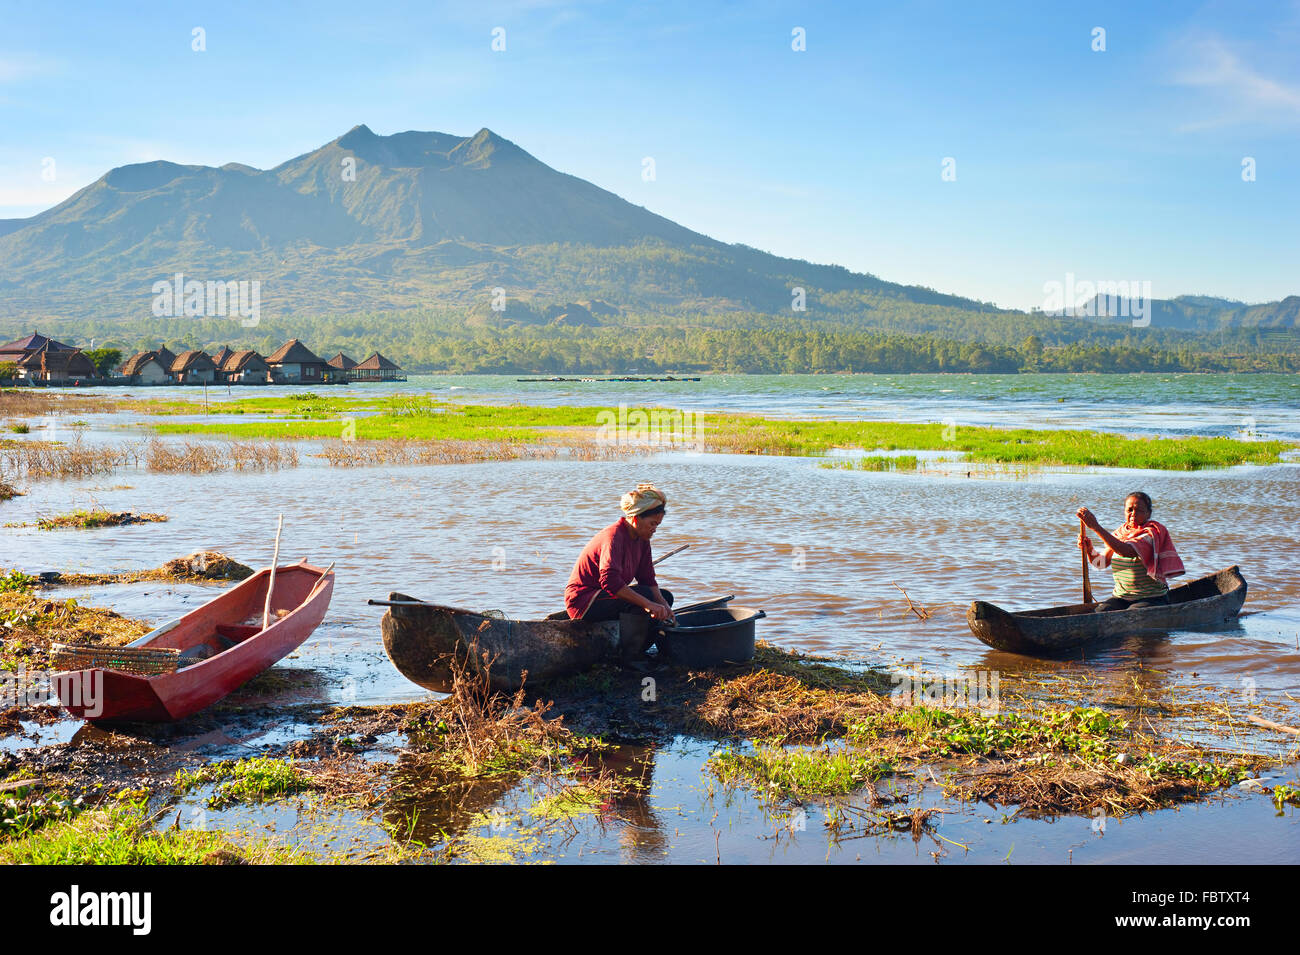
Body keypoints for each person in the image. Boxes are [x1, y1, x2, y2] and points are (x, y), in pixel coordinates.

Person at [563, 483, 675, 623]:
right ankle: (629, 643)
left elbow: (647, 579)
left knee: (665, 597)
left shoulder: (643, 539)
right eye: (652, 524)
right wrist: (648, 604)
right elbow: (609, 581)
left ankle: (635, 640)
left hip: (606, 597)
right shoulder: (614, 537)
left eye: (657, 525)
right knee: (647, 597)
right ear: (635, 519)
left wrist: (663, 604)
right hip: (583, 602)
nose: (654, 529)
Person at [1077, 492, 1185, 612]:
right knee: (1100, 612)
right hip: (1121, 597)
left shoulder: (1150, 534)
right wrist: (1089, 549)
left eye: (1139, 510)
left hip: (1151, 598)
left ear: (1148, 514)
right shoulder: (1119, 534)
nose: (1133, 514)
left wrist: (1096, 527)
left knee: (1132, 615)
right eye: (1130, 510)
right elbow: (1100, 564)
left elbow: (1126, 551)